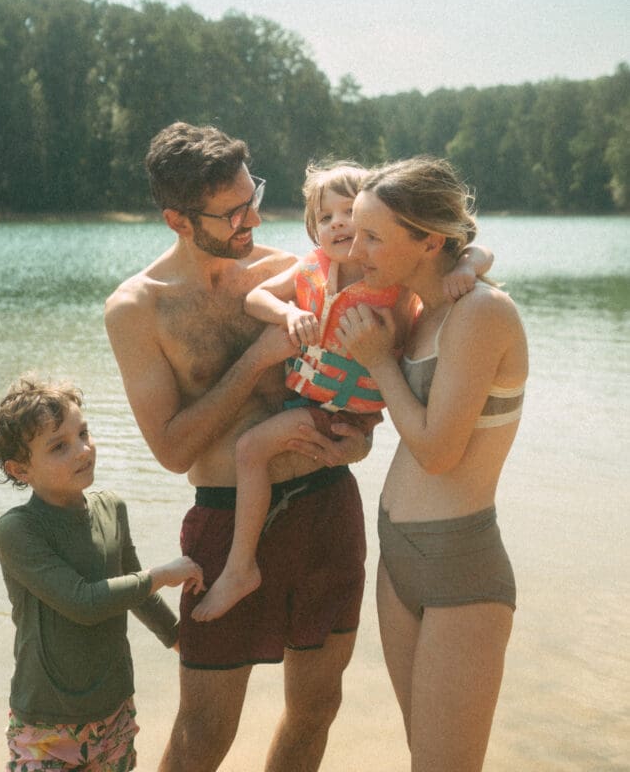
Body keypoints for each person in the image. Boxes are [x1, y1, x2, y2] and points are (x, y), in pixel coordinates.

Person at [104, 124, 372, 772]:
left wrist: (352, 447)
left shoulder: (294, 271)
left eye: (252, 196)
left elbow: (363, 387)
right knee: (202, 735)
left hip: (326, 508)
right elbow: (170, 449)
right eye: (232, 212)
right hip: (224, 527)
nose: (252, 217)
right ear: (178, 218)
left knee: (315, 711)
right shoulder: (138, 308)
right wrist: (256, 359)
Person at [192, 160, 493, 622]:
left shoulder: (390, 280)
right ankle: (245, 562)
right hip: (311, 399)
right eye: (325, 215)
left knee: (250, 449)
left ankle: (239, 568)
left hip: (342, 412)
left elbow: (470, 248)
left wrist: (468, 267)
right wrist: (288, 314)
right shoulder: (313, 267)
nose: (337, 224)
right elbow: (257, 298)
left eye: (350, 213)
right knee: (251, 450)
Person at [334, 156, 528, 772]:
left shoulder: (482, 314)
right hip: (400, 560)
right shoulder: (423, 312)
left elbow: (439, 454)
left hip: (459, 568)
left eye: (372, 237)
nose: (354, 246)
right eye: (355, 230)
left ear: (428, 242)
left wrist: (378, 362)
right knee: (425, 757)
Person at [0, 374, 204, 772]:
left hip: (113, 714)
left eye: (83, 433)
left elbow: (137, 594)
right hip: (44, 725)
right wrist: (163, 574)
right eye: (59, 447)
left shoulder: (112, 508)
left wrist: (180, 640)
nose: (82, 450)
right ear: (20, 470)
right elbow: (82, 601)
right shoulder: (18, 530)